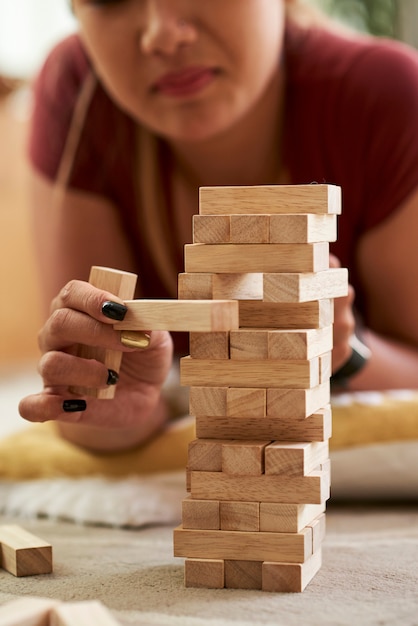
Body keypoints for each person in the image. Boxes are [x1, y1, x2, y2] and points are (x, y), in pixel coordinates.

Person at [18, 0, 418, 452]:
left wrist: (345, 355)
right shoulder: (79, 88)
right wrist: (111, 403)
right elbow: (93, 409)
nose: (163, 36)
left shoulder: (388, 94)